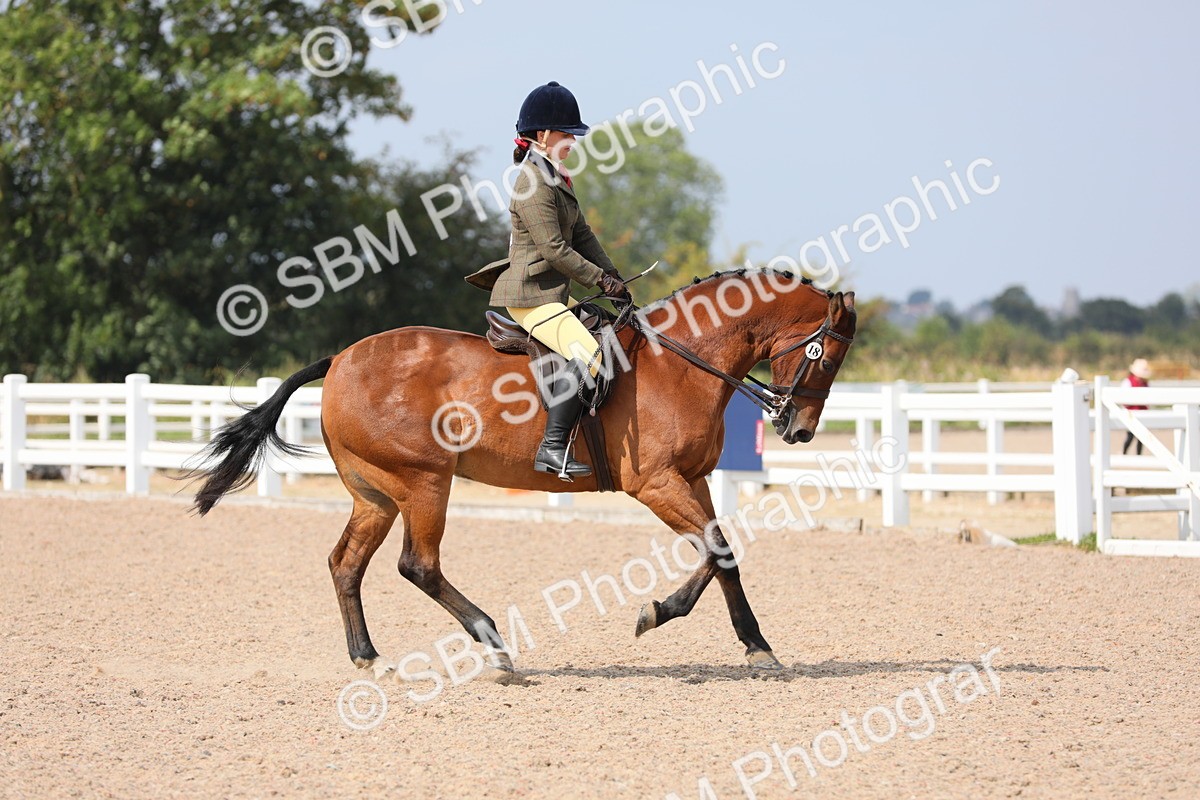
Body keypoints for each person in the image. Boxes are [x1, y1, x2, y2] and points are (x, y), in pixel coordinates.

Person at [465, 81, 631, 480]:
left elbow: (583, 234)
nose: (573, 141)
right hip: (529, 297)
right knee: (590, 355)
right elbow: (556, 249)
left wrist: (613, 275)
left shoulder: (554, 177)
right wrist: (598, 281)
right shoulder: (531, 183)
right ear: (542, 136)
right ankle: (552, 449)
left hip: (550, 295)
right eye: (566, 134)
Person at [1121, 358, 1151, 455]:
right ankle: (1124, 453)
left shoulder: (1145, 383)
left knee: (1141, 438)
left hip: (1142, 413)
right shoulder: (1128, 382)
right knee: (1130, 436)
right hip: (1131, 414)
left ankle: (1139, 455)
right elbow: (1124, 400)